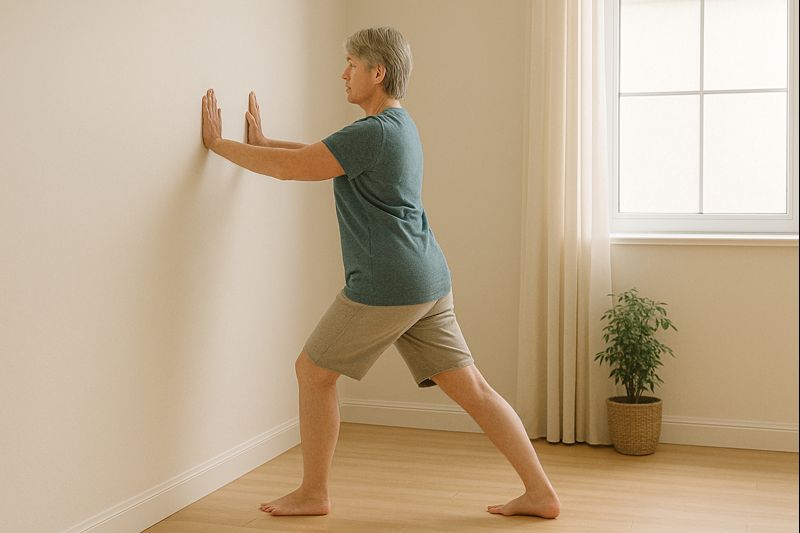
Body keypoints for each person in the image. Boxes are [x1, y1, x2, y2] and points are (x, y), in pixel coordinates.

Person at [201, 26, 560, 520]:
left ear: (378, 71)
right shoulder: (397, 127)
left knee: (313, 372)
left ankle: (313, 492)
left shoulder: (370, 132)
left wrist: (219, 146)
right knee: (474, 389)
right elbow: (322, 157)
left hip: (388, 283)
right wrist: (264, 141)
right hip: (428, 279)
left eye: (351, 63)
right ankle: (540, 492)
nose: (343, 73)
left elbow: (294, 169)